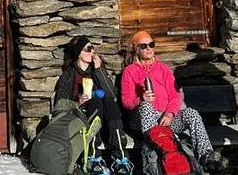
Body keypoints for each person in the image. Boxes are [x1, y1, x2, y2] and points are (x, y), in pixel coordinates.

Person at [119, 30, 218, 173]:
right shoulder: (129, 71)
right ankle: (158, 161)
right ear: (136, 49)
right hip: (142, 121)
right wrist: (141, 100)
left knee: (191, 113)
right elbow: (126, 102)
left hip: (166, 121)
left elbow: (175, 95)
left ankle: (207, 158)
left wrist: (170, 114)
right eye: (144, 46)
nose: (148, 49)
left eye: (151, 44)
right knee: (146, 106)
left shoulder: (163, 69)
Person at [53, 36, 131, 173]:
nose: (92, 51)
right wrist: (78, 102)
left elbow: (112, 94)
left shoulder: (96, 69)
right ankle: (92, 157)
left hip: (106, 122)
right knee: (95, 102)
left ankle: (121, 159)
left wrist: (99, 70)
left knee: (108, 102)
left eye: (93, 47)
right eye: (88, 49)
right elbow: (61, 105)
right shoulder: (69, 75)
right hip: (82, 120)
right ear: (78, 53)